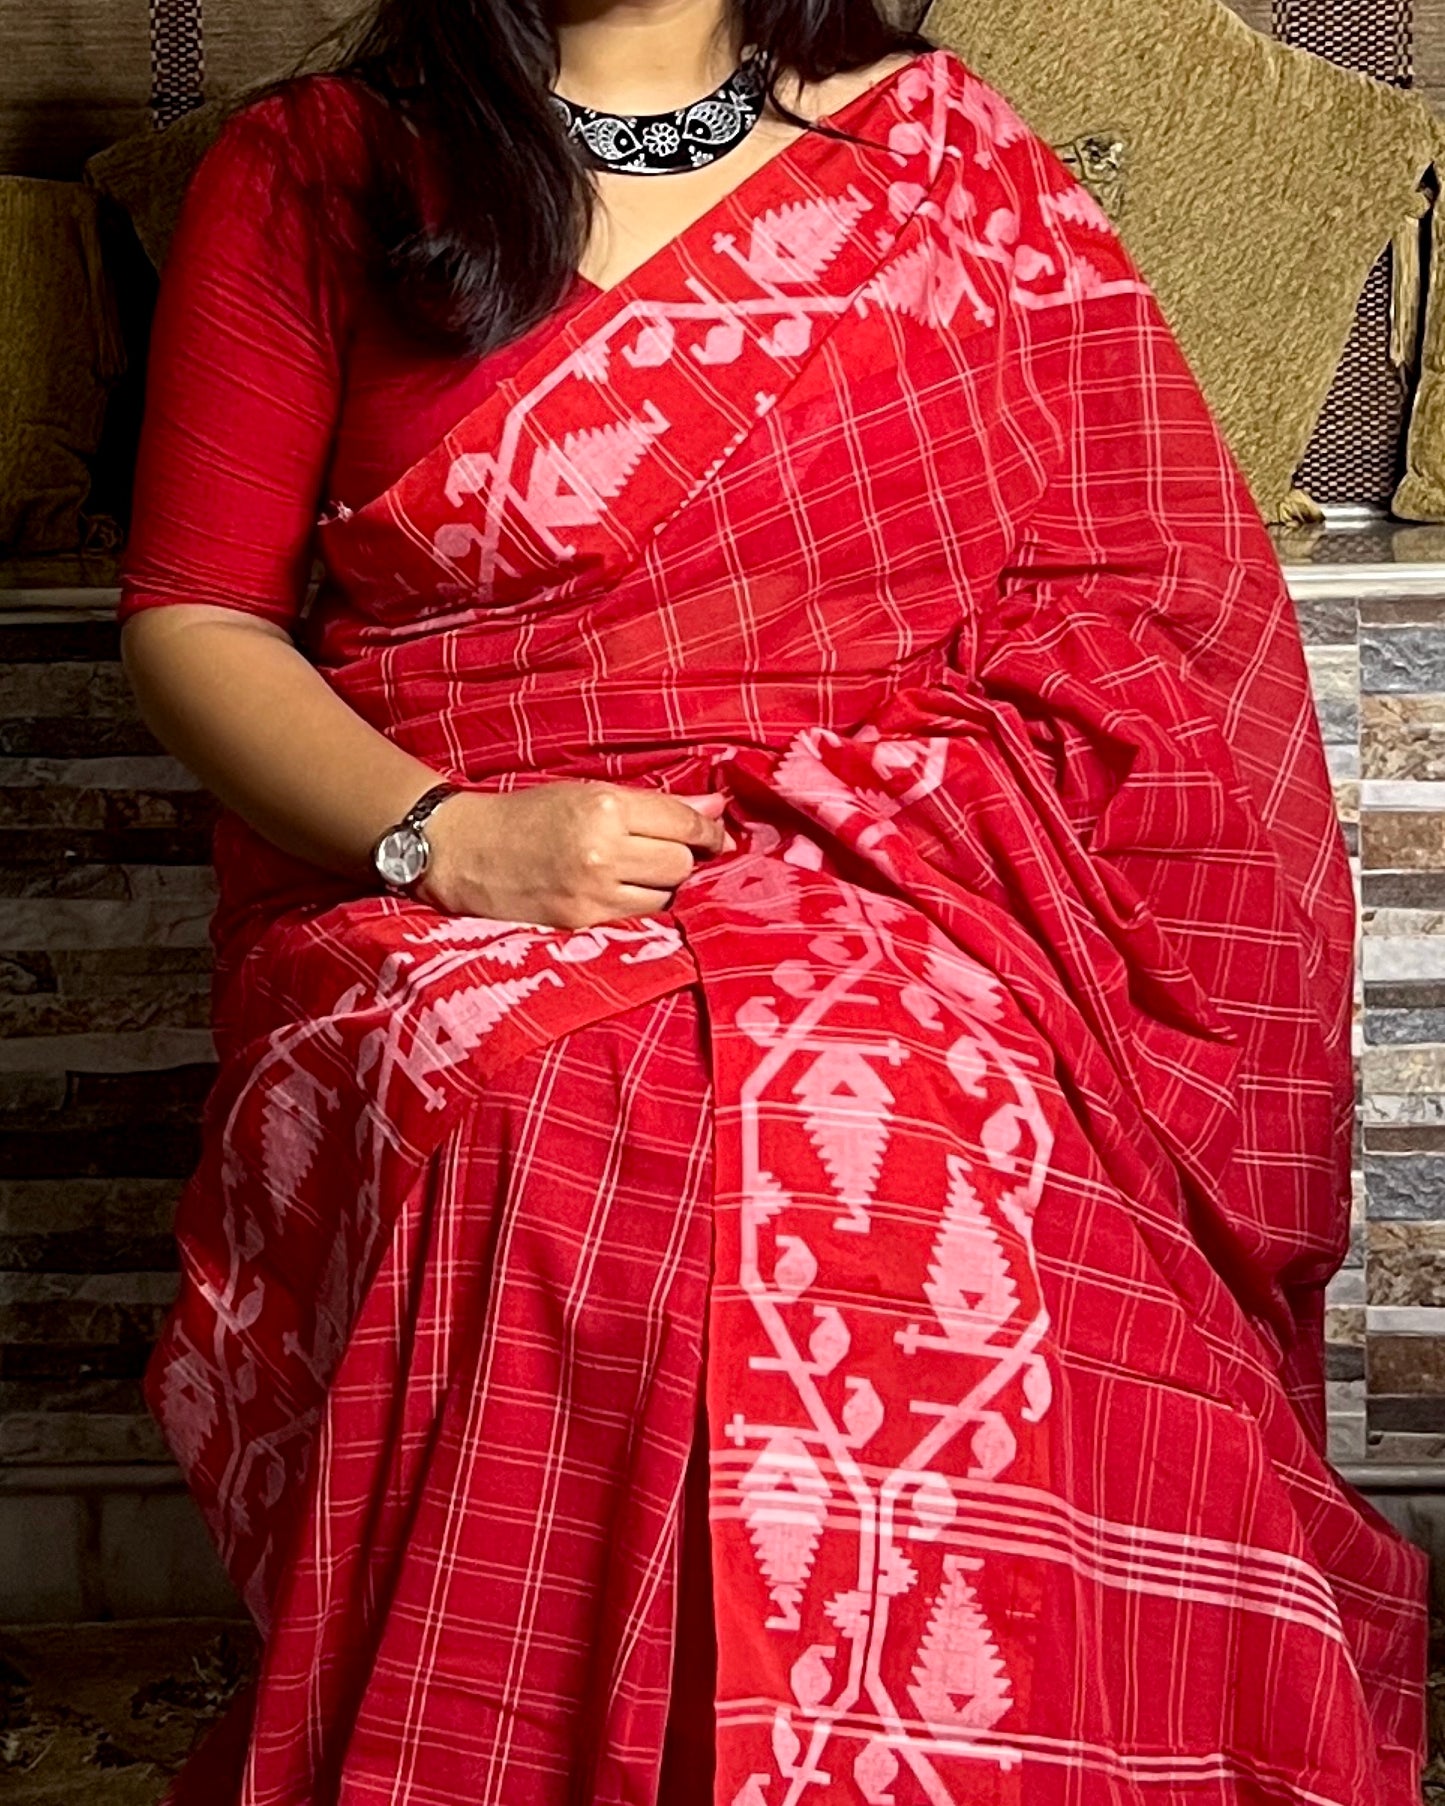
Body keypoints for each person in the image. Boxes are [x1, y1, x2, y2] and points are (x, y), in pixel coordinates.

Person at [118, 0, 1428, 1796]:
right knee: (579, 1125)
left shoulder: (938, 151)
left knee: (918, 1124)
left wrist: (884, 831)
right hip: (444, 874)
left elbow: (1137, 587)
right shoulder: (321, 168)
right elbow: (198, 616)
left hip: (902, 859)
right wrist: (448, 832)